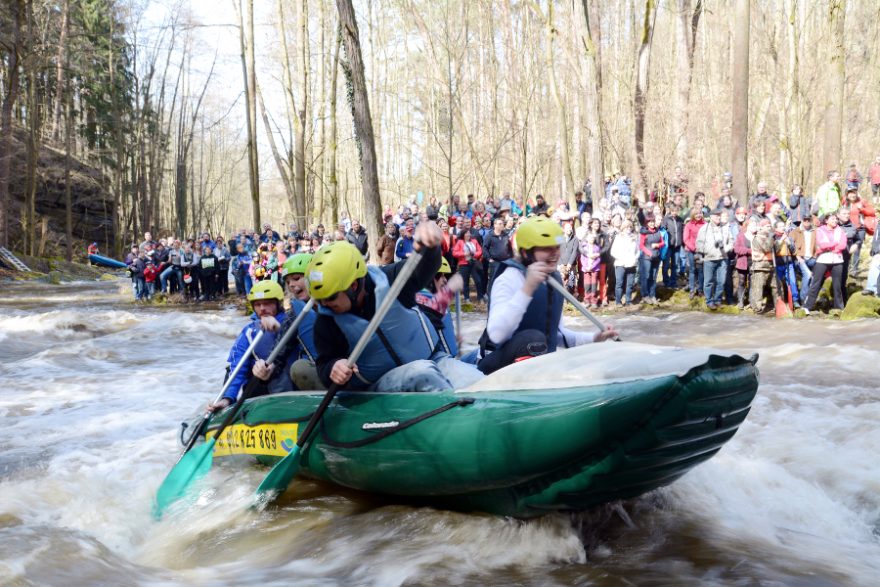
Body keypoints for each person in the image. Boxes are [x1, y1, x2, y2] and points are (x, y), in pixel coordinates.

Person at [309, 230, 480, 393]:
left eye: (330, 297)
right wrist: (333, 367)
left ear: (353, 286)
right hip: (381, 383)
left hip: (434, 359)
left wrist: (432, 246)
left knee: (476, 382)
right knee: (422, 372)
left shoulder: (389, 280)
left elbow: (425, 266)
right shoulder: (327, 321)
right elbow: (324, 363)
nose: (324, 304)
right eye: (319, 299)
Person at [477, 217, 618, 375]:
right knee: (533, 339)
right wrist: (527, 289)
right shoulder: (508, 278)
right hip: (495, 366)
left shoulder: (552, 279)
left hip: (534, 361)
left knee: (538, 341)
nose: (554, 254)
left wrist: (594, 338)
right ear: (526, 252)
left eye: (556, 247)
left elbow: (555, 335)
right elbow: (497, 335)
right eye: (546, 248)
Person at [208, 281, 291, 412]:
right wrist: (227, 398)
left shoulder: (291, 321)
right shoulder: (249, 331)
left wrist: (278, 329)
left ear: (278, 304)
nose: (262, 308)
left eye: (267, 303)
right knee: (231, 368)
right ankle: (229, 401)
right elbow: (238, 367)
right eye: (258, 304)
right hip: (259, 386)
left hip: (288, 385)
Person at [803, 213, 847, 315]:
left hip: (837, 260)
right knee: (816, 283)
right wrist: (834, 244)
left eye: (836, 219)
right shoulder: (820, 230)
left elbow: (843, 244)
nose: (835, 221)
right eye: (832, 219)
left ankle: (839, 308)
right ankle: (807, 307)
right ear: (826, 221)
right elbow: (822, 244)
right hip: (822, 259)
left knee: (837, 285)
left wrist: (832, 247)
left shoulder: (840, 230)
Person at [696, 209, 733, 309]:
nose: (718, 218)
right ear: (711, 217)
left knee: (721, 281)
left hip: (723, 258)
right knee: (708, 281)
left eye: (719, 216)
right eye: (716, 216)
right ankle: (709, 301)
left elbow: (731, 242)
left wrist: (726, 249)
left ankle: (718, 300)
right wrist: (703, 252)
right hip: (709, 258)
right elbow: (699, 243)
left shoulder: (725, 228)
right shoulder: (704, 228)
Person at [749, 219, 778, 313]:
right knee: (758, 289)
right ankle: (757, 309)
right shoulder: (757, 238)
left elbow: (775, 251)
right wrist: (771, 238)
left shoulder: (770, 237)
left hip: (771, 266)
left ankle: (778, 306)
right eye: (767, 226)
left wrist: (780, 240)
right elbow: (766, 248)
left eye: (770, 226)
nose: (769, 228)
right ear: (761, 227)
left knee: (776, 287)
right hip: (759, 267)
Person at [610, 219, 639, 306]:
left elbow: (638, 251)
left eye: (630, 227)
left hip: (631, 264)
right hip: (620, 264)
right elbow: (613, 252)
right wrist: (621, 258)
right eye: (626, 227)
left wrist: (635, 258)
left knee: (630, 284)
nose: (628, 228)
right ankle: (618, 301)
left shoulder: (634, 238)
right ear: (623, 228)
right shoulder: (618, 237)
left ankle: (628, 301)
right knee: (619, 283)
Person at [452, 228, 485, 303]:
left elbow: (480, 250)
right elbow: (454, 253)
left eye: (469, 233)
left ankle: (480, 297)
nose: (468, 234)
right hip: (464, 264)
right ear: (463, 235)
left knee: (478, 280)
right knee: (465, 281)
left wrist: (474, 254)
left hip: (473, 263)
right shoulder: (460, 242)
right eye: (466, 233)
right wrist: (464, 254)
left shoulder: (474, 241)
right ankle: (467, 298)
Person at [638, 215, 665, 305]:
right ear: (647, 223)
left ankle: (652, 295)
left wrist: (658, 245)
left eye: (653, 222)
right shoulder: (644, 233)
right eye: (650, 222)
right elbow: (641, 246)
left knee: (653, 277)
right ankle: (645, 295)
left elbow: (663, 242)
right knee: (646, 276)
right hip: (646, 258)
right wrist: (649, 252)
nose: (652, 223)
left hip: (656, 257)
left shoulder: (657, 231)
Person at [683, 209, 705, 298]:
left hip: (701, 251)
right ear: (693, 215)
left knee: (700, 271)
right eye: (696, 214)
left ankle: (700, 290)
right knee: (692, 270)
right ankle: (692, 289)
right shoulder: (688, 225)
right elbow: (685, 239)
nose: (698, 215)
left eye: (700, 213)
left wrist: (701, 248)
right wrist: (693, 248)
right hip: (691, 250)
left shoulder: (705, 225)